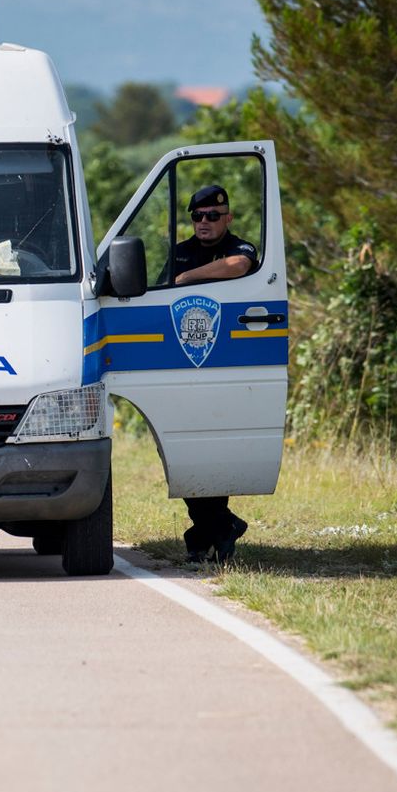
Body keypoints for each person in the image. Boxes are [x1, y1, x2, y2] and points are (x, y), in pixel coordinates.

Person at [175, 184, 256, 562]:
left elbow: (238, 267)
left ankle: (204, 535)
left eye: (212, 216)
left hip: (228, 361)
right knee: (186, 450)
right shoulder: (179, 252)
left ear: (228, 218)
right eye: (197, 216)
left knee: (212, 451)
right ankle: (220, 527)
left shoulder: (241, 247)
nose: (204, 222)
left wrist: (188, 277)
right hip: (184, 360)